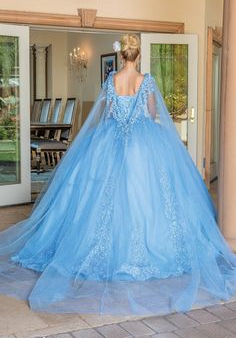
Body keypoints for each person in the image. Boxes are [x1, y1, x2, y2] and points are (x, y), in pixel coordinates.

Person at [0, 34, 236, 316]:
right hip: (142, 144)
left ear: (122, 56)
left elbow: (107, 113)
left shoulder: (111, 80)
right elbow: (151, 113)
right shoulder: (146, 81)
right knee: (144, 194)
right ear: (138, 56)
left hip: (109, 140)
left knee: (97, 195)